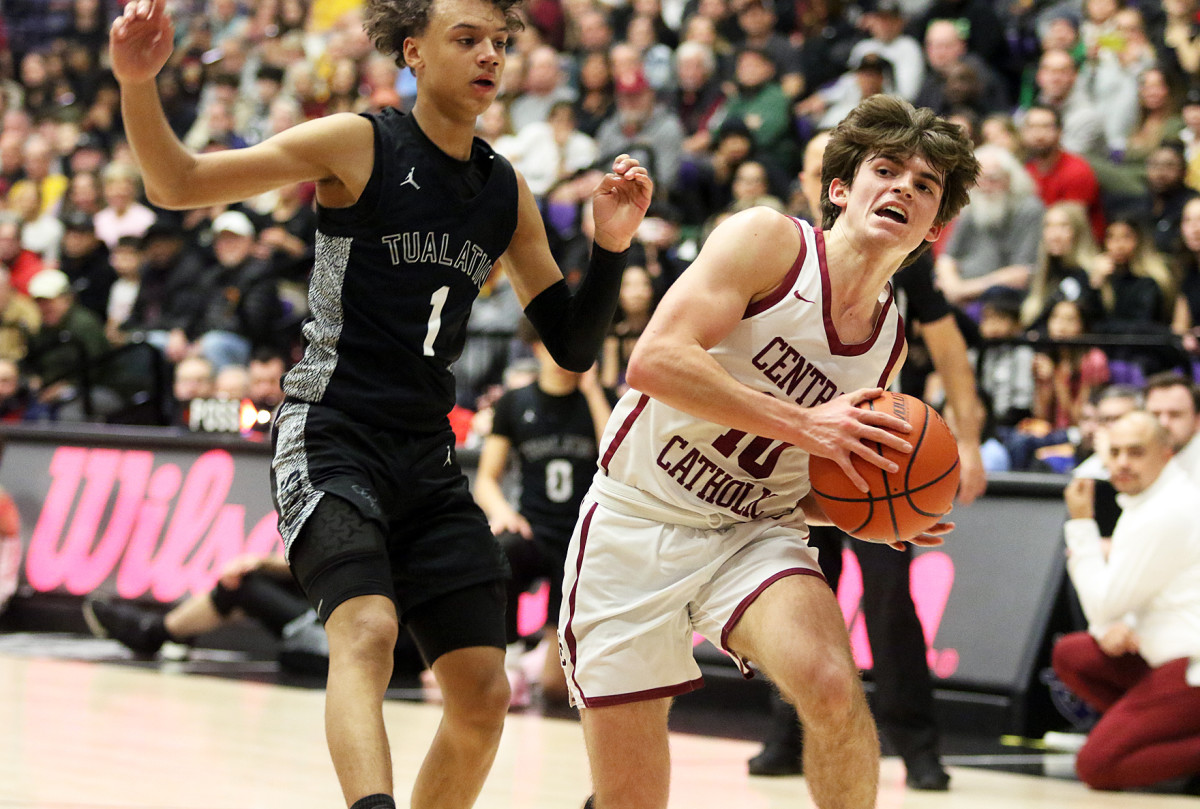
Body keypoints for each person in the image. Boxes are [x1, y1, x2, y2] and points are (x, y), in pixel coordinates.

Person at [110, 5, 651, 809]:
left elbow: (572, 345)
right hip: (330, 429)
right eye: (466, 39)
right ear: (414, 53)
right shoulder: (359, 143)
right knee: (365, 631)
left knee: (481, 691)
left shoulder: (504, 189)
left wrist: (610, 246)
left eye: (500, 44)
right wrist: (136, 83)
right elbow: (176, 181)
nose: (488, 56)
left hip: (426, 456)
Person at [559, 95, 978, 809]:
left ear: (935, 227)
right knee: (631, 800)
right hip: (636, 518)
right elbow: (655, 360)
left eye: (925, 185)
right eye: (887, 169)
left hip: (751, 532)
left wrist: (878, 512)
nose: (904, 187)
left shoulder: (889, 342)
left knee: (832, 685)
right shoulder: (768, 243)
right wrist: (808, 424)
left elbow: (807, 482)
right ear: (841, 187)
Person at [748, 125, 987, 791]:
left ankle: (916, 743)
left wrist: (965, 439)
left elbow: (950, 354)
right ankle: (785, 732)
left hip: (879, 463)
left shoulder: (907, 261)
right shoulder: (779, 253)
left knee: (890, 603)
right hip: (789, 456)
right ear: (825, 183)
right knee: (790, 604)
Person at [1054, 410, 1200, 791]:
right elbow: (1119, 605)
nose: (1121, 463)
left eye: (1136, 453)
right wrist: (1113, 628)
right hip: (1167, 653)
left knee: (1097, 767)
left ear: (1165, 454)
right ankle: (1155, 736)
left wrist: (1082, 524)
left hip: (1190, 666)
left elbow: (1104, 605)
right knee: (1074, 654)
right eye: (1115, 452)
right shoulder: (1154, 499)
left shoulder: (1165, 512)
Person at [473, 318, 612, 705]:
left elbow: (617, 458)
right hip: (534, 531)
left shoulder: (600, 402)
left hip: (582, 544)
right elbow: (486, 478)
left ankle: (546, 658)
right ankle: (512, 655)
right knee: (500, 551)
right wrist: (502, 512)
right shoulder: (515, 403)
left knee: (554, 690)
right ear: (536, 348)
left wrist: (592, 392)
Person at [82, 552, 426, 678]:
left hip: (379, 643)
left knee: (243, 587)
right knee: (248, 580)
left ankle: (154, 633)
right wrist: (260, 562)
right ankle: (164, 632)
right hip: (362, 618)